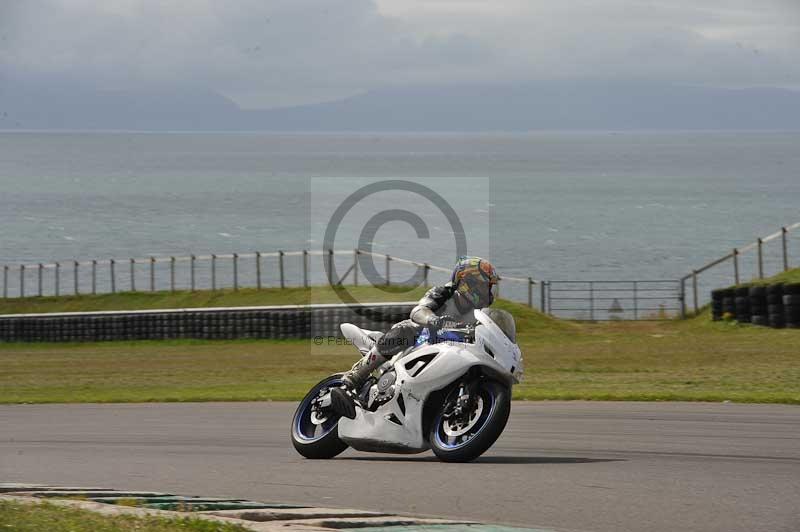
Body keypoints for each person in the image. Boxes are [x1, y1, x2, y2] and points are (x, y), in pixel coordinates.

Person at [330, 256, 498, 418]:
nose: (488, 292)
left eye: (489, 287)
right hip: (421, 340)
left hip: (450, 353)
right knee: (407, 329)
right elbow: (418, 312)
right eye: (485, 286)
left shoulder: (479, 313)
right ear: (467, 283)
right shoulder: (444, 293)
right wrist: (434, 320)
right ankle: (352, 379)